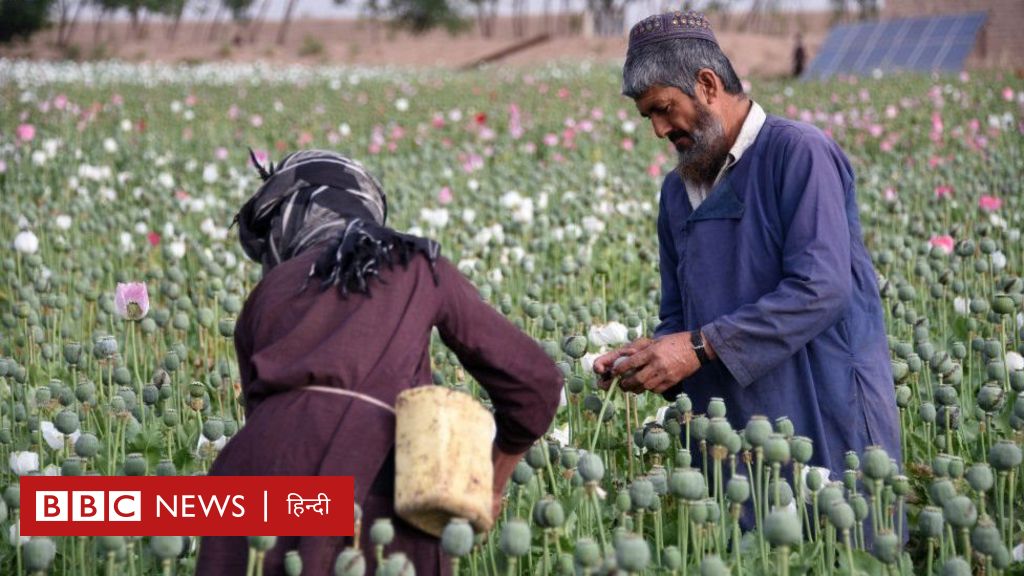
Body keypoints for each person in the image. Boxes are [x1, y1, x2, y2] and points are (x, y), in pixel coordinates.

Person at [197, 150, 563, 575]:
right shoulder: (415, 263)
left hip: (251, 472)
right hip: (373, 469)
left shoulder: (264, 295)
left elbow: (261, 415)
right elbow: (534, 382)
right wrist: (495, 477)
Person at [594, 11, 901, 497]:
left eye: (663, 108)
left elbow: (820, 288)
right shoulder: (678, 192)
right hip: (727, 434)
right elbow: (679, 315)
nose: (657, 130)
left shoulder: (798, 153)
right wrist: (649, 360)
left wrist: (696, 347)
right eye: (648, 116)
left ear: (708, 84)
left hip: (822, 409)